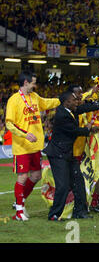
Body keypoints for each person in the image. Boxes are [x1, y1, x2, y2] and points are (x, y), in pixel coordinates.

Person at [5, 70, 60, 221]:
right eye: (33, 83)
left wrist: (62, 99)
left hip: (35, 146)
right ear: (25, 83)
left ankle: (20, 202)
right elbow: (9, 123)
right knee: (22, 176)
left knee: (36, 176)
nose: (35, 85)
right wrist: (25, 134)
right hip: (22, 146)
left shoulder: (34, 97)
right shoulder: (14, 100)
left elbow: (47, 103)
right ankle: (19, 211)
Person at [43, 90, 99, 221]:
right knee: (63, 186)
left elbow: (83, 108)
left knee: (78, 182)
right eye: (74, 100)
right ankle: (54, 214)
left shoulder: (69, 110)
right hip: (58, 154)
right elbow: (73, 131)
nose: (77, 102)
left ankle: (80, 212)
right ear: (66, 102)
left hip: (67, 154)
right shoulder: (61, 115)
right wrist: (88, 129)